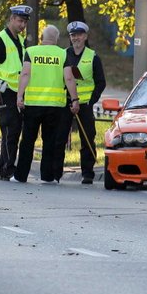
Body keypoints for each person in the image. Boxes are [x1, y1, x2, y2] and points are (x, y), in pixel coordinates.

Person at [13, 25, 79, 184]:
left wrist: (19, 95)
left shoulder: (31, 52)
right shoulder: (63, 54)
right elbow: (69, 79)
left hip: (33, 104)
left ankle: (21, 175)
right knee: (49, 141)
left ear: (42, 37)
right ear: (56, 38)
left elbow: (26, 74)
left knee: (28, 140)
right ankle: (48, 175)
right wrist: (75, 100)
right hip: (55, 106)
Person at [53, 21, 107, 184]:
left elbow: (100, 82)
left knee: (87, 137)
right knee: (60, 137)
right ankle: (56, 172)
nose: (75, 38)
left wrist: (91, 101)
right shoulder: (63, 54)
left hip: (84, 104)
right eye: (72, 35)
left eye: (78, 35)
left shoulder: (93, 57)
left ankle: (88, 173)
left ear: (85, 37)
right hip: (65, 102)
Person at [0, 5, 30, 181]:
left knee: (15, 131)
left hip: (18, 92)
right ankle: (7, 169)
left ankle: (8, 168)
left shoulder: (19, 39)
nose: (22, 25)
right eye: (20, 21)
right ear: (11, 19)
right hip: (6, 92)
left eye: (25, 22)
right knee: (10, 132)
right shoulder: (1, 39)